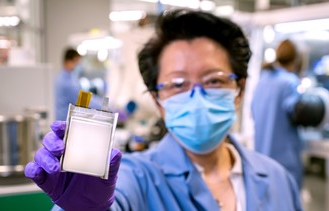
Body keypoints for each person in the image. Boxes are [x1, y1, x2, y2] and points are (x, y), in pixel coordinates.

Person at [25, 10, 302, 211]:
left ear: (239, 90)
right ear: (159, 101)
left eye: (214, 81)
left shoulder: (278, 179)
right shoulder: (135, 177)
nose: (197, 97)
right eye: (178, 84)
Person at [251, 39, 303, 189]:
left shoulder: (263, 80)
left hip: (261, 160)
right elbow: (299, 112)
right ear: (296, 59)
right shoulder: (289, 82)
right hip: (285, 163)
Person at [54, 47, 102, 121]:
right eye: (76, 62)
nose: (78, 65)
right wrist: (103, 105)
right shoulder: (66, 83)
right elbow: (83, 100)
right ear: (68, 61)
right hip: (65, 122)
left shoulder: (66, 77)